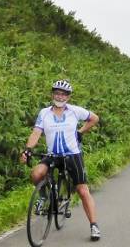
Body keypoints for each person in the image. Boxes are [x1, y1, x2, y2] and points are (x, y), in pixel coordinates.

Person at [20, 79, 101, 241]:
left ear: (68, 97)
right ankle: (44, 197)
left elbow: (94, 118)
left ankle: (94, 225)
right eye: (57, 93)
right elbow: (36, 132)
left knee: (82, 191)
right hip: (52, 155)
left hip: (72, 155)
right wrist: (28, 149)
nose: (60, 97)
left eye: (63, 94)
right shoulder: (44, 113)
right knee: (36, 174)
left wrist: (80, 131)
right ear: (52, 94)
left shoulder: (75, 111)